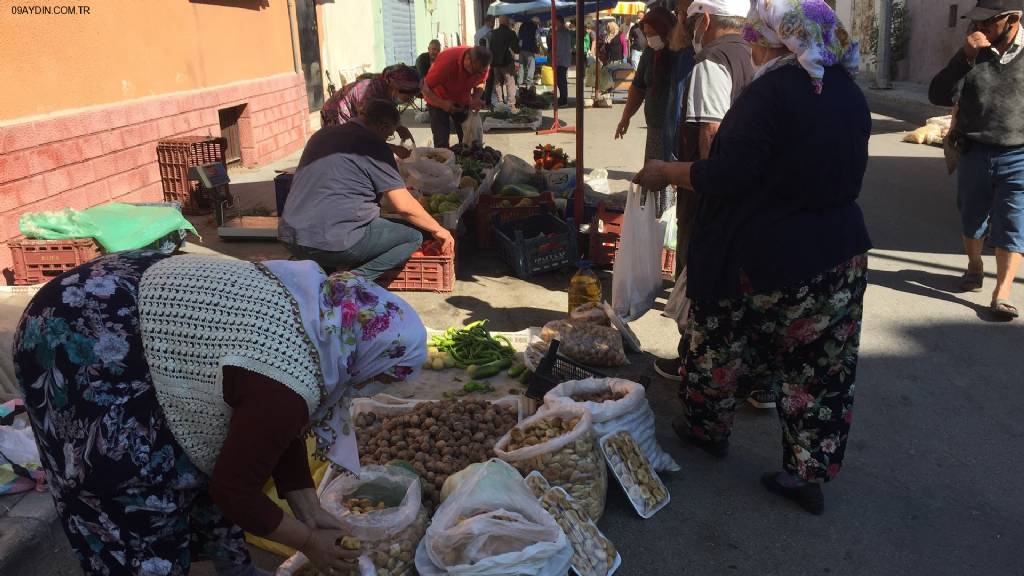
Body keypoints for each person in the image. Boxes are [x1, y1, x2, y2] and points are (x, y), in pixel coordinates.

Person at [13, 250, 428, 575]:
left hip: (130, 299)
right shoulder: (287, 380)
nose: (370, 387)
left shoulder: (322, 324)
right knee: (127, 484)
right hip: (86, 329)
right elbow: (236, 489)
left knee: (210, 459)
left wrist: (311, 511)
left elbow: (275, 430)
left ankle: (232, 568)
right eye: (382, 377)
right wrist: (307, 541)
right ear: (369, 355)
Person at [634, 0, 870, 516]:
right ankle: (807, 475)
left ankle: (706, 431)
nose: (752, 47)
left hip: (764, 249)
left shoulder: (770, 94)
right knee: (822, 369)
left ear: (780, 43)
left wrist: (667, 171)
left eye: (758, 39)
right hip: (838, 254)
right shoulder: (849, 93)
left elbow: (730, 175)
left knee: (718, 341)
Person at [651, 0, 754, 391]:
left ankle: (693, 364)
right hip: (746, 196)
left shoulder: (711, 61)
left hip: (712, 195)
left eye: (692, 21)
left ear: (706, 21)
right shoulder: (755, 56)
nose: (690, 29)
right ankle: (745, 375)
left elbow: (709, 134)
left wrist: (699, 186)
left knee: (701, 281)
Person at [280, 100, 455, 280]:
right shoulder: (374, 145)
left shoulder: (322, 135)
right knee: (412, 237)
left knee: (336, 236)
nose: (387, 139)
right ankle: (350, 281)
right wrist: (438, 229)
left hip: (290, 236)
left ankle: (325, 269)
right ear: (382, 125)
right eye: (389, 134)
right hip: (334, 241)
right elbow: (402, 205)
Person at [929, 0, 1024, 320]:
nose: (980, 28)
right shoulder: (972, 55)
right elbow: (938, 94)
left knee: (1014, 224)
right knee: (973, 220)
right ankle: (974, 265)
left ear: (1013, 19)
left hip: (1018, 155)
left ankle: (1002, 292)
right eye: (977, 21)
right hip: (974, 152)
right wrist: (965, 57)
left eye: (989, 22)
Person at [613, 7, 679, 163]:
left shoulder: (681, 54)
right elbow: (638, 87)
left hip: (676, 130)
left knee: (672, 175)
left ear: (664, 30)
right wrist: (625, 117)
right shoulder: (650, 53)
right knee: (653, 175)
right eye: (646, 34)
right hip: (654, 127)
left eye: (651, 33)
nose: (648, 38)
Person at [319, 64, 420, 158]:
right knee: (346, 151)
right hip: (336, 115)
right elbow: (364, 136)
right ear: (396, 88)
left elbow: (384, 119)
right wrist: (392, 148)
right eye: (409, 97)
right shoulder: (370, 96)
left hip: (351, 117)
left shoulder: (386, 91)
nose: (409, 100)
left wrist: (398, 126)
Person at [422, 45, 491, 148]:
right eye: (474, 71)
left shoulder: (482, 66)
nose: (476, 74)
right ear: (468, 59)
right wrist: (441, 103)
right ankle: (443, 161)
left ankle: (465, 162)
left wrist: (476, 98)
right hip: (438, 98)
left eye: (479, 72)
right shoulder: (446, 63)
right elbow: (424, 86)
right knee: (442, 141)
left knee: (469, 140)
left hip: (461, 99)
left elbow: (480, 83)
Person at [488, 16, 520, 109]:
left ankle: (500, 102)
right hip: (507, 62)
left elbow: (491, 47)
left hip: (495, 62)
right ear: (507, 22)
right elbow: (516, 48)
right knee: (510, 82)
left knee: (497, 82)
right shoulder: (511, 33)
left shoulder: (493, 33)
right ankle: (511, 104)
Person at [550, 16, 574, 107]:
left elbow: (559, 47)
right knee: (561, 80)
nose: (553, 23)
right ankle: (563, 99)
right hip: (564, 59)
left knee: (561, 80)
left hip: (561, 60)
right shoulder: (565, 31)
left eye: (554, 21)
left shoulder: (560, 32)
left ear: (559, 22)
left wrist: (555, 58)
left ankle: (563, 100)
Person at [518, 16, 540, 88]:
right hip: (530, 50)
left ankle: (520, 82)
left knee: (521, 66)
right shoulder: (534, 28)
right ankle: (529, 83)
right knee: (531, 66)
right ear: (535, 22)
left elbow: (519, 37)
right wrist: (537, 48)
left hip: (521, 49)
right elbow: (537, 39)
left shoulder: (522, 25)